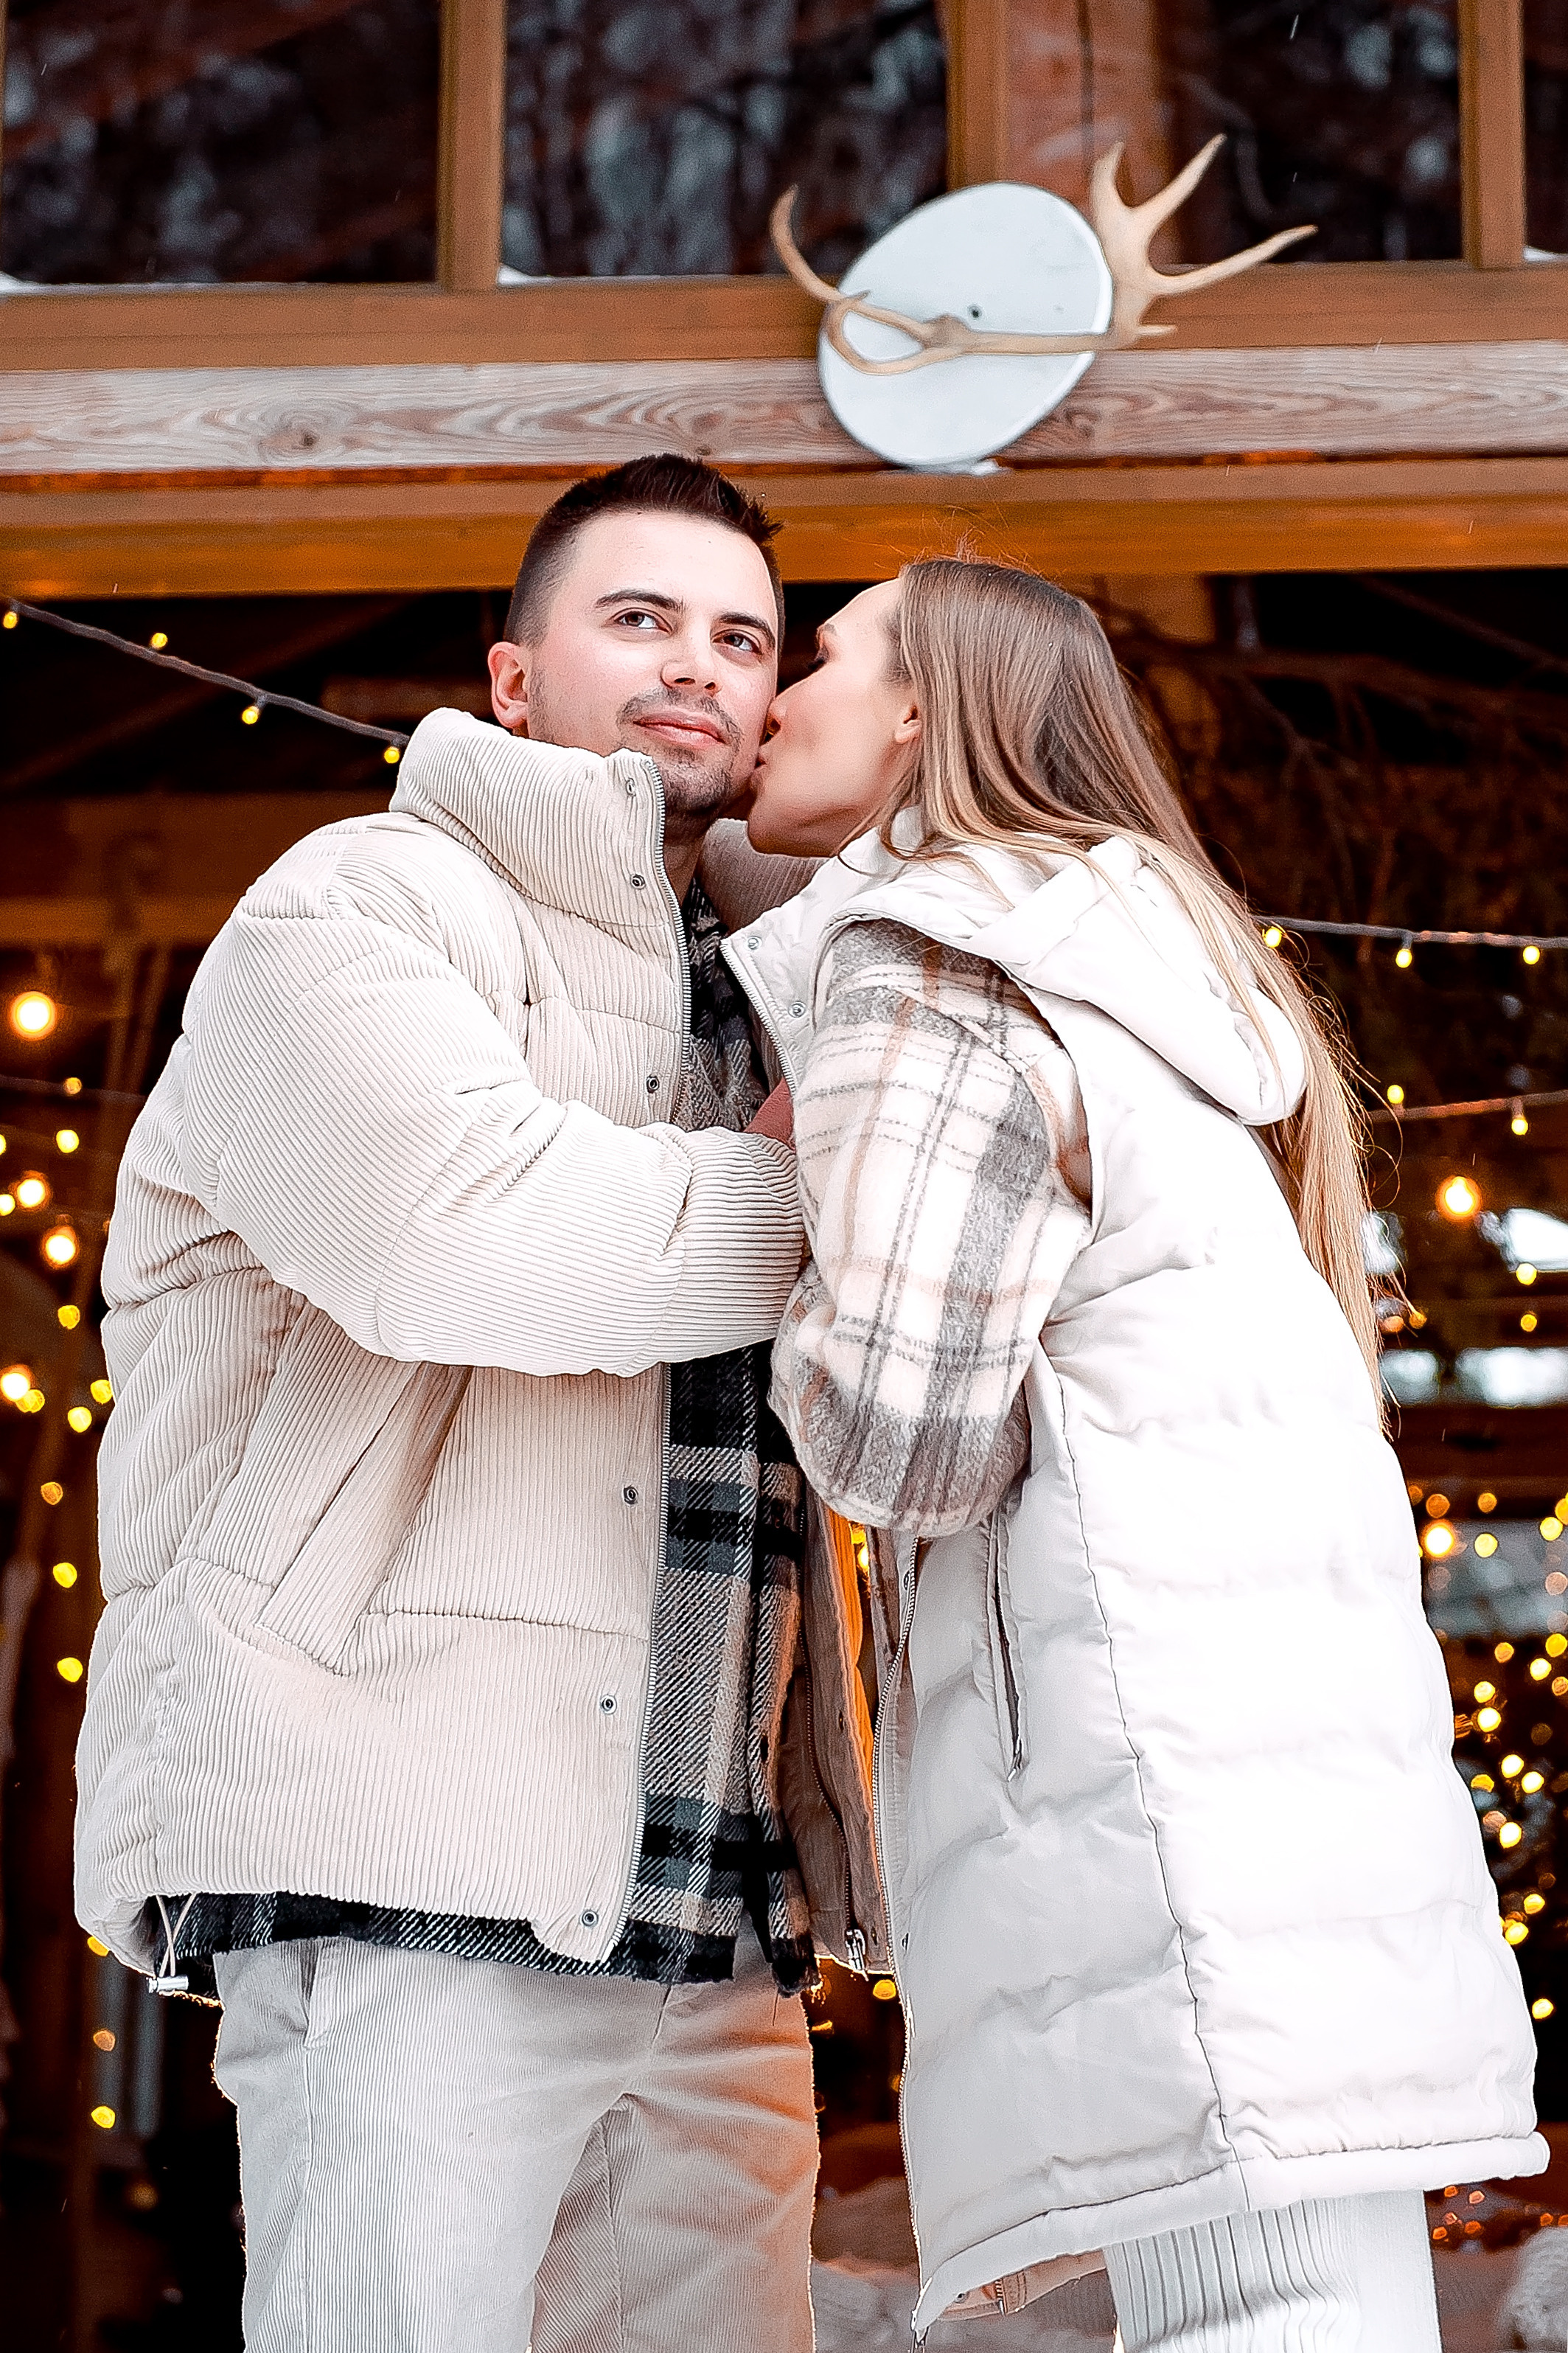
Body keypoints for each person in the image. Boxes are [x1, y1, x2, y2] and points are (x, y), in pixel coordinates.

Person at [75, 455, 884, 2353]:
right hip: (400, 1870)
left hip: (710, 1915)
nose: (698, 665)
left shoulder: (775, 989)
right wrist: (828, 1191)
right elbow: (453, 1234)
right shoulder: (356, 907)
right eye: (638, 619)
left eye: (741, 636)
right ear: (512, 681)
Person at [723, 557, 1544, 2352]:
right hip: (1286, 1839)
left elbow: (894, 1439)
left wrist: (765, 1191)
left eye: (820, 652)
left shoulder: (933, 957)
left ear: (927, 706)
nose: (771, 688)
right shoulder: (1144, 973)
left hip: (1138, 1823)